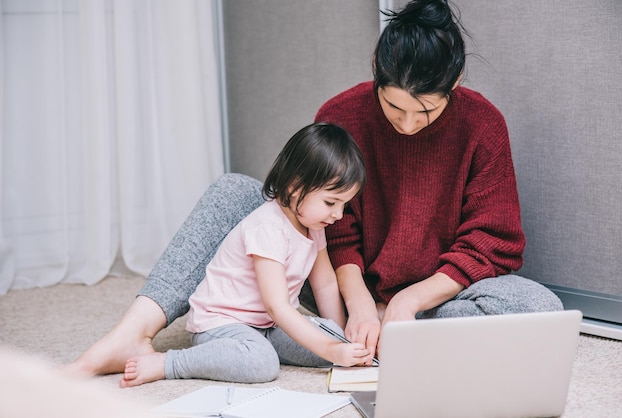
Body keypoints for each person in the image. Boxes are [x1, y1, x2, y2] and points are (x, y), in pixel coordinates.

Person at [67, 0, 562, 377]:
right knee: (237, 193)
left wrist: (407, 302)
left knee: (539, 308)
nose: (409, 125)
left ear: (455, 85)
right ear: (375, 73)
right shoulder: (342, 113)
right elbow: (328, 226)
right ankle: (132, 334)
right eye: (395, 110)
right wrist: (361, 304)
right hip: (332, 281)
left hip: (432, 295)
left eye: (426, 112)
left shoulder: (483, 124)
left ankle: (397, 332)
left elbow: (492, 241)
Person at [118, 122, 369, 387]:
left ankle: (267, 344)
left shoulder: (314, 226)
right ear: (296, 187)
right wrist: (331, 350)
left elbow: (326, 284)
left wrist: (338, 340)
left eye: (344, 205)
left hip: (267, 325)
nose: (338, 215)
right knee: (262, 363)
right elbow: (278, 305)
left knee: (328, 342)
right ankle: (169, 363)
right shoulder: (268, 227)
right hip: (222, 323)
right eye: (331, 203)